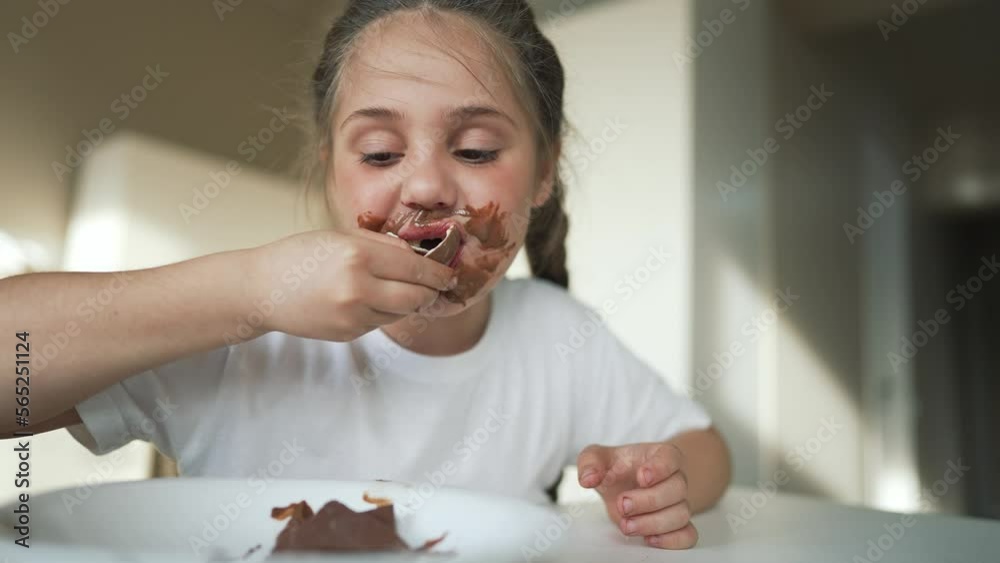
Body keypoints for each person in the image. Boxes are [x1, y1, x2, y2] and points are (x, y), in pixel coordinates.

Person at [0, 0, 730, 550]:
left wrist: (659, 481)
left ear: (543, 172)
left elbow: (701, 447)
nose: (423, 187)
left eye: (475, 150)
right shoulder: (243, 334)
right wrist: (249, 293)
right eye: (381, 153)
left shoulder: (556, 336)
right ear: (331, 171)